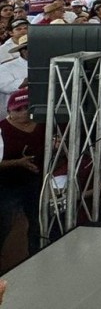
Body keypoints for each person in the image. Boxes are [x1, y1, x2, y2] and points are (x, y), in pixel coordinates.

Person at [0, 89, 45, 259]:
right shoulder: (2, 129)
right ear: (9, 111)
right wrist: (17, 163)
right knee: (4, 225)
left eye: (27, 107)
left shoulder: (42, 124)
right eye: (17, 109)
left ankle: (37, 259)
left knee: (37, 223)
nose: (23, 112)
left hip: (35, 183)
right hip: (7, 185)